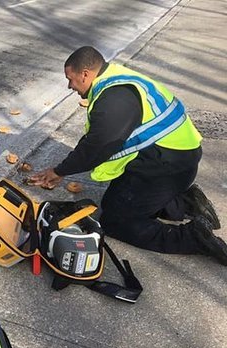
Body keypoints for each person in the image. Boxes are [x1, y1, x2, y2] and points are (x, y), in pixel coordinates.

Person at [30, 46, 227, 265]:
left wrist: (60, 171)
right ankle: (186, 202)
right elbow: (98, 136)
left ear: (85, 73)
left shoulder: (115, 99)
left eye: (71, 79)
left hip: (166, 166)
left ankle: (194, 237)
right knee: (114, 202)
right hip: (174, 160)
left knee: (116, 221)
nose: (70, 86)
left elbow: (98, 145)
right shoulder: (116, 77)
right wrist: (65, 168)